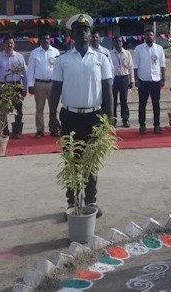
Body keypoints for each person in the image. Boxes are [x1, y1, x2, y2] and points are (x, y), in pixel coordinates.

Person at [49, 14, 113, 217]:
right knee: (72, 160)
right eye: (78, 30)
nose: (83, 33)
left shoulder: (101, 59)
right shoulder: (63, 61)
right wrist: (52, 115)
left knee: (91, 161)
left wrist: (109, 118)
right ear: (71, 35)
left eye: (86, 30)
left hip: (94, 116)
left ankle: (91, 200)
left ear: (90, 34)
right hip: (70, 116)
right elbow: (56, 90)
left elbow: (107, 89)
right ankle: (72, 201)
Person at [0, 35, 28, 139]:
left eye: (11, 43)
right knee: (3, 110)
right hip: (3, 86)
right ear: (4, 44)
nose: (9, 45)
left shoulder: (19, 57)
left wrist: (25, 88)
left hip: (16, 85)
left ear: (14, 44)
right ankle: (4, 130)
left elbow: (24, 73)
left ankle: (17, 131)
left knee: (18, 110)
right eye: (7, 43)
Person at [133, 28, 167, 135]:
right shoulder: (138, 49)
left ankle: (157, 125)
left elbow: (162, 64)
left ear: (154, 36)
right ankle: (142, 126)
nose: (149, 37)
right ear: (144, 37)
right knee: (142, 104)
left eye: (151, 35)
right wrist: (136, 79)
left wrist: (163, 78)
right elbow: (135, 65)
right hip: (143, 81)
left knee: (156, 104)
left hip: (156, 80)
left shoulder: (159, 48)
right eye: (147, 35)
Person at [27, 34, 61, 138]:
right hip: (39, 84)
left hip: (52, 84)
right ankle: (40, 130)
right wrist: (30, 85)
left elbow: (59, 69)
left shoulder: (55, 52)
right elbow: (30, 70)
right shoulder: (34, 53)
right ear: (40, 40)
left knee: (53, 107)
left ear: (50, 39)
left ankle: (54, 129)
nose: (45, 40)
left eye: (47, 38)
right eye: (43, 38)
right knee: (39, 108)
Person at [110, 36, 134, 127]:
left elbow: (131, 67)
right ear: (113, 43)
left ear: (122, 42)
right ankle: (113, 120)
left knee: (124, 100)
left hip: (124, 78)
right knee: (113, 101)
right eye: (116, 41)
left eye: (120, 41)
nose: (118, 43)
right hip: (114, 79)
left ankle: (125, 119)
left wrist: (131, 80)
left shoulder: (127, 53)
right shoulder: (110, 54)